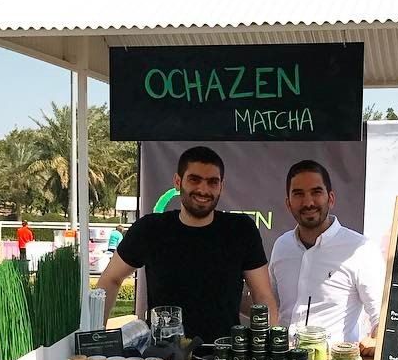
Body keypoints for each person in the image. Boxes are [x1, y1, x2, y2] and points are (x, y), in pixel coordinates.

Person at [96, 146, 277, 341]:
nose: (203, 189)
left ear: (221, 187)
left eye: (212, 182)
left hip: (222, 358)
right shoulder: (150, 229)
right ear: (177, 181)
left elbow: (262, 296)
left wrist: (273, 350)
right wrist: (95, 339)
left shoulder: (241, 230)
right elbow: (110, 279)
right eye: (195, 179)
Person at [269, 159, 384, 358]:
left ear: (330, 198)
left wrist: (376, 342)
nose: (308, 202)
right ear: (288, 203)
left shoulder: (360, 249)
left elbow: (381, 318)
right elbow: (271, 304)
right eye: (298, 194)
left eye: (316, 192)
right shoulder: (282, 246)